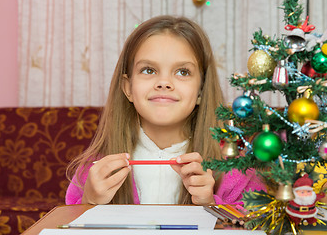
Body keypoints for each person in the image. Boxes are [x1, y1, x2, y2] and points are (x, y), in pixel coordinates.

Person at [65, 15, 265, 206]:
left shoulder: (235, 170)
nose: (164, 83)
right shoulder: (95, 170)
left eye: (182, 72)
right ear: (128, 88)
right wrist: (88, 203)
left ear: (200, 91)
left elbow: (255, 223)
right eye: (149, 70)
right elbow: (68, 225)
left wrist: (210, 205)